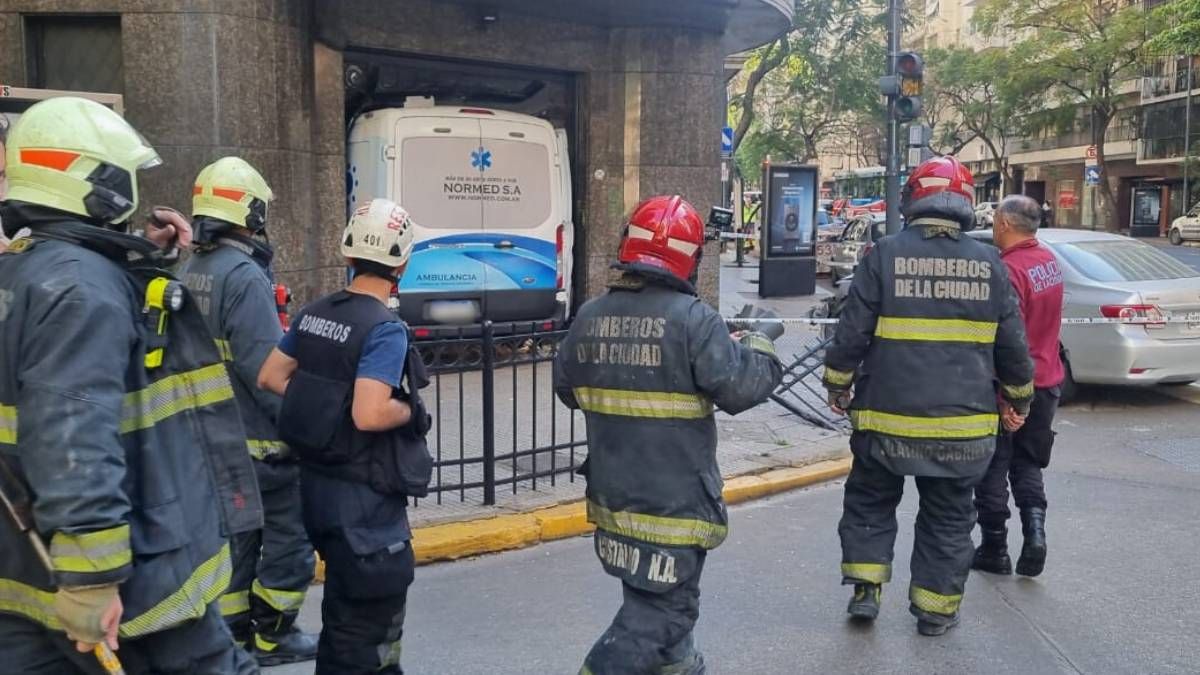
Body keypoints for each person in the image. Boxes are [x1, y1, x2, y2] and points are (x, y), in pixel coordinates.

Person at [0, 96, 262, 673]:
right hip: (136, 584)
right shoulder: (81, 293)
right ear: (100, 183)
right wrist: (94, 579)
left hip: (30, 571)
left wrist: (142, 255)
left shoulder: (25, 273)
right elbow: (72, 438)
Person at [555, 195, 783, 674]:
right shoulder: (694, 320)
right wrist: (762, 339)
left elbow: (568, 390)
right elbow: (743, 387)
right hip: (674, 508)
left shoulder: (589, 316)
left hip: (615, 500)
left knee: (648, 596)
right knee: (664, 612)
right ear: (691, 259)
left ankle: (682, 667)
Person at [822, 156, 1035, 636]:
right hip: (962, 430)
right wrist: (1019, 400)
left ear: (913, 199)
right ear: (964, 202)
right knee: (949, 517)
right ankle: (935, 612)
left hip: (884, 422)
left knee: (870, 502)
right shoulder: (991, 265)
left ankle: (865, 589)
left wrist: (838, 384)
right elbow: (1014, 349)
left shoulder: (883, 254)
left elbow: (852, 332)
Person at [258, 198, 430, 674]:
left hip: (317, 493)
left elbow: (271, 376)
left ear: (349, 253)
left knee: (343, 618)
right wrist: (409, 409)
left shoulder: (316, 312)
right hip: (365, 505)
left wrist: (325, 405)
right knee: (367, 630)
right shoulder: (384, 329)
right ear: (403, 262)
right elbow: (372, 414)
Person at [180, 157, 318, 664]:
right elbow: (267, 374)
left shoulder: (191, 267)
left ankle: (235, 631)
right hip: (262, 446)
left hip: (214, 440)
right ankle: (275, 636)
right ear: (251, 211)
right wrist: (305, 429)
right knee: (288, 542)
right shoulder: (242, 275)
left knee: (239, 543)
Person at [973, 195, 1064, 578]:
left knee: (993, 469)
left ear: (1006, 224)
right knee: (1028, 465)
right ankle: (1036, 536)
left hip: (1014, 386)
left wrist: (1006, 398)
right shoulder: (1049, 263)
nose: (993, 226)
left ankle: (995, 549)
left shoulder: (1008, 271)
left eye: (995, 219)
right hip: (1048, 381)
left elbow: (1009, 340)